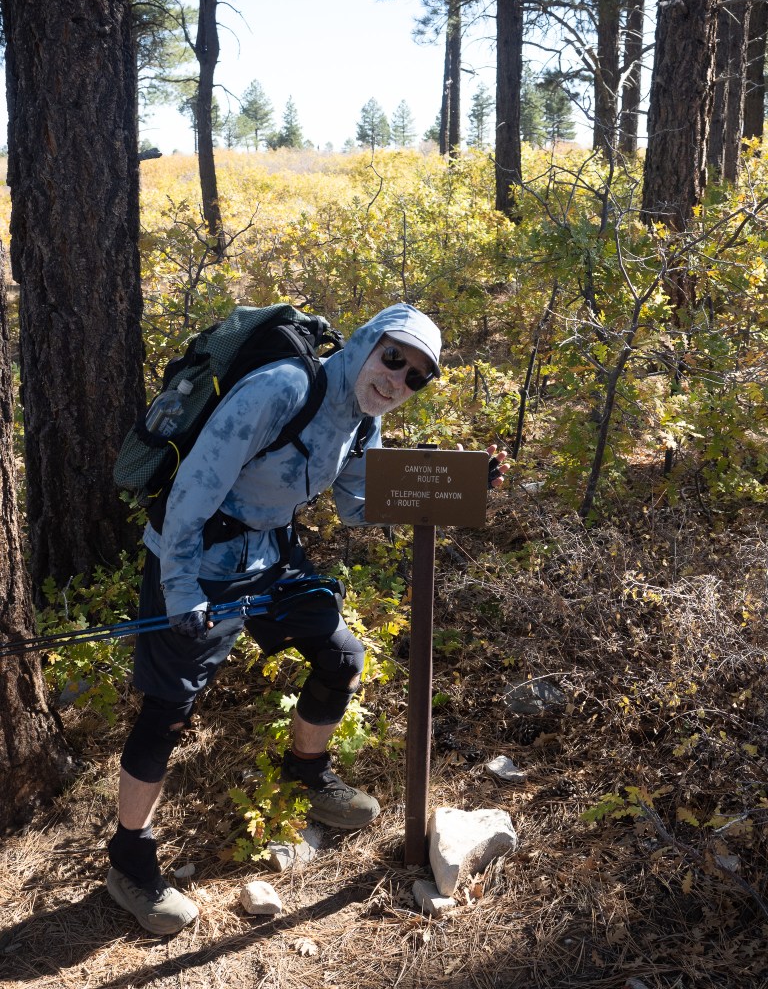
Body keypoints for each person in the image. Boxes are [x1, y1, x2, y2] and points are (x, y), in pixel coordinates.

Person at [106, 303, 507, 935]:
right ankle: (129, 861)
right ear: (369, 341)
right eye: (393, 357)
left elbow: (358, 504)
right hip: (196, 557)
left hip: (271, 556)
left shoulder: (364, 419)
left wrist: (460, 483)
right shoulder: (282, 388)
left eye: (416, 376)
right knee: (168, 711)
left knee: (340, 655)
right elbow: (191, 493)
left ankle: (307, 770)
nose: (397, 379)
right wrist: (180, 591)